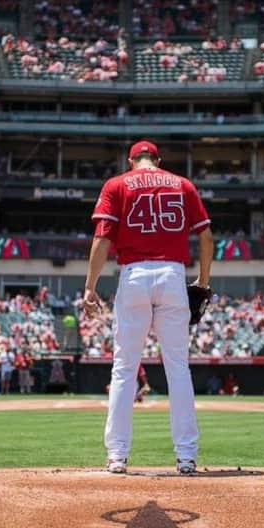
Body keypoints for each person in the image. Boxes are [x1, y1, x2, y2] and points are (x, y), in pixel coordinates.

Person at [83, 139, 213, 475]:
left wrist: (90, 287)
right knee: (178, 368)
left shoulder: (117, 184)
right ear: (157, 159)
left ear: (131, 161)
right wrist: (202, 281)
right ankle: (186, 457)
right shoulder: (183, 184)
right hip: (172, 273)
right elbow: (206, 236)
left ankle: (117, 456)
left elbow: (102, 238)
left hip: (134, 273)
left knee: (125, 369)